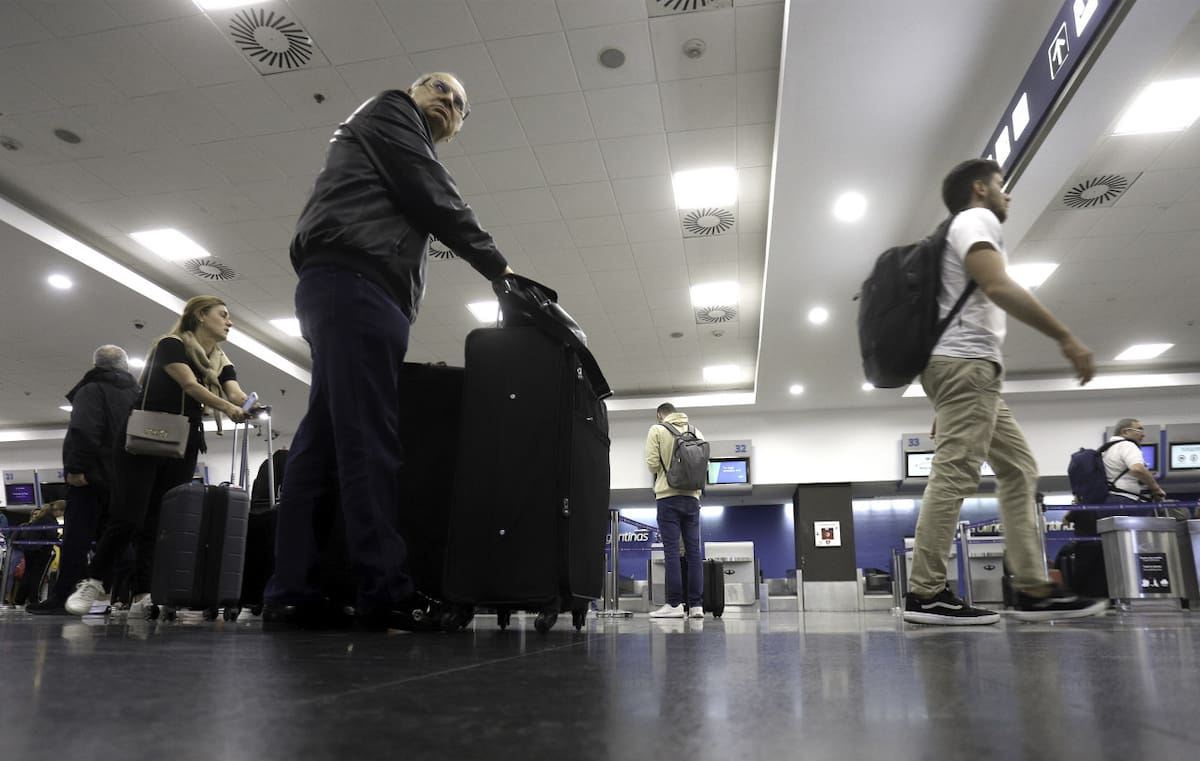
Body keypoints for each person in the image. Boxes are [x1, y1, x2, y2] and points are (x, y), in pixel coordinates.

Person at [263, 72, 513, 631]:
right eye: (440, 88)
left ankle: (292, 589)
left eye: (460, 104)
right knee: (369, 440)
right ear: (413, 91)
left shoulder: (391, 135)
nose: (448, 100)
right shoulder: (390, 111)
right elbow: (430, 190)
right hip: (358, 284)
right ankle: (385, 590)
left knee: (322, 442)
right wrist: (499, 269)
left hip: (349, 286)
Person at [904, 158, 1108, 625]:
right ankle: (927, 591)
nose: (1007, 194)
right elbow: (996, 284)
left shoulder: (950, 233)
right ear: (980, 189)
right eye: (1002, 186)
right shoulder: (975, 219)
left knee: (1018, 468)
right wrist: (1065, 336)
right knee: (956, 472)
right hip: (967, 366)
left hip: (967, 372)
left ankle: (1034, 587)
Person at [66, 297, 252, 617]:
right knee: (128, 516)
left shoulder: (220, 359)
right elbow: (189, 384)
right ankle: (93, 581)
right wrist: (229, 409)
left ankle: (144, 592)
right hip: (145, 436)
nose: (229, 321)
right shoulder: (171, 344)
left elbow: (234, 392)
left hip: (185, 440)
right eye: (222, 315)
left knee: (163, 520)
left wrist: (248, 405)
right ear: (199, 316)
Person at [28, 345, 140, 614]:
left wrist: (76, 468)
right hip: (124, 478)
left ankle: (63, 596)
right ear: (125, 366)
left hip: (91, 477)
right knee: (115, 539)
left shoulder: (91, 390)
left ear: (97, 364)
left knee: (76, 539)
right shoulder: (137, 394)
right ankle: (133, 593)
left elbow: (84, 429)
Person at [645, 403, 705, 620]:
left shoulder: (657, 429)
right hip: (692, 497)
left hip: (667, 497)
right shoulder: (695, 431)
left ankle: (675, 604)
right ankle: (697, 605)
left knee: (671, 551)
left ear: (660, 415)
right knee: (694, 551)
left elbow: (652, 465)